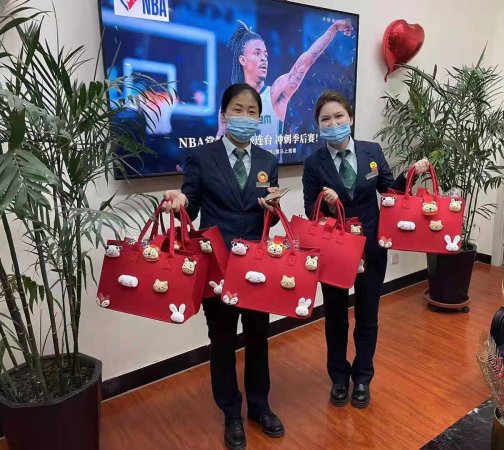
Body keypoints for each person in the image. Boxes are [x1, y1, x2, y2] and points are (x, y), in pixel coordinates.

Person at [163, 83, 283, 450]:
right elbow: (192, 205)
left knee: (259, 337)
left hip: (257, 266)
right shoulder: (203, 157)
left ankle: (259, 407)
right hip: (218, 266)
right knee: (222, 340)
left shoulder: (267, 161)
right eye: (238, 109)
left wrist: (273, 207)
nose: (245, 117)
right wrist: (180, 202)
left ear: (259, 118)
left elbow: (271, 214)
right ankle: (231, 412)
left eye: (252, 111)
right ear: (224, 115)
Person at [302, 90, 429, 409]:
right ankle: (338, 378)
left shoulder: (371, 151)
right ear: (318, 125)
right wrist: (326, 204)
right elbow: (309, 211)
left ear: (351, 118)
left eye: (338, 117)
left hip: (371, 246)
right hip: (335, 250)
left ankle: (362, 377)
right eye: (325, 119)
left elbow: (390, 191)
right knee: (335, 317)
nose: (333, 124)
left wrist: (411, 173)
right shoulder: (314, 163)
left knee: (368, 314)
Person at [218, 19, 353, 150]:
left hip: (269, 166)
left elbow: (308, 58)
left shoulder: (275, 93)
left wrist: (333, 29)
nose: (263, 58)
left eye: (266, 55)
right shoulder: (230, 103)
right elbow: (219, 142)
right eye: (257, 53)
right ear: (243, 60)